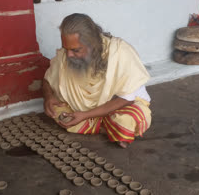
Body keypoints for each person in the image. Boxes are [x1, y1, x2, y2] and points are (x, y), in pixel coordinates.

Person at [42, 13, 152, 148]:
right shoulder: (66, 56)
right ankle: (106, 128)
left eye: (76, 50)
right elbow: (48, 79)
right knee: (58, 113)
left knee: (128, 120)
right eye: (66, 49)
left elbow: (126, 98)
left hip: (119, 106)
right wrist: (49, 97)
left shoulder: (119, 52)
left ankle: (99, 125)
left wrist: (85, 115)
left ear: (92, 43)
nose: (69, 55)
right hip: (79, 110)